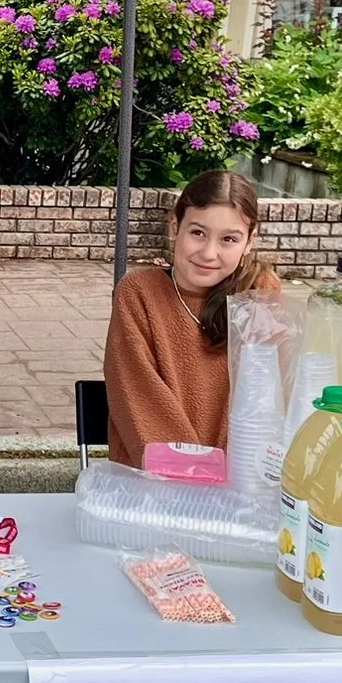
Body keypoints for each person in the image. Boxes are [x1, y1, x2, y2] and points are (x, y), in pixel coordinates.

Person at [102, 169, 281, 466]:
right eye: (197, 233)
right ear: (175, 227)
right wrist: (196, 475)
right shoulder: (139, 292)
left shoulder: (260, 294)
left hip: (237, 483)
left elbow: (261, 402)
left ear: (250, 241)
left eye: (229, 239)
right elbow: (138, 398)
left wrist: (229, 480)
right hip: (157, 487)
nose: (209, 253)